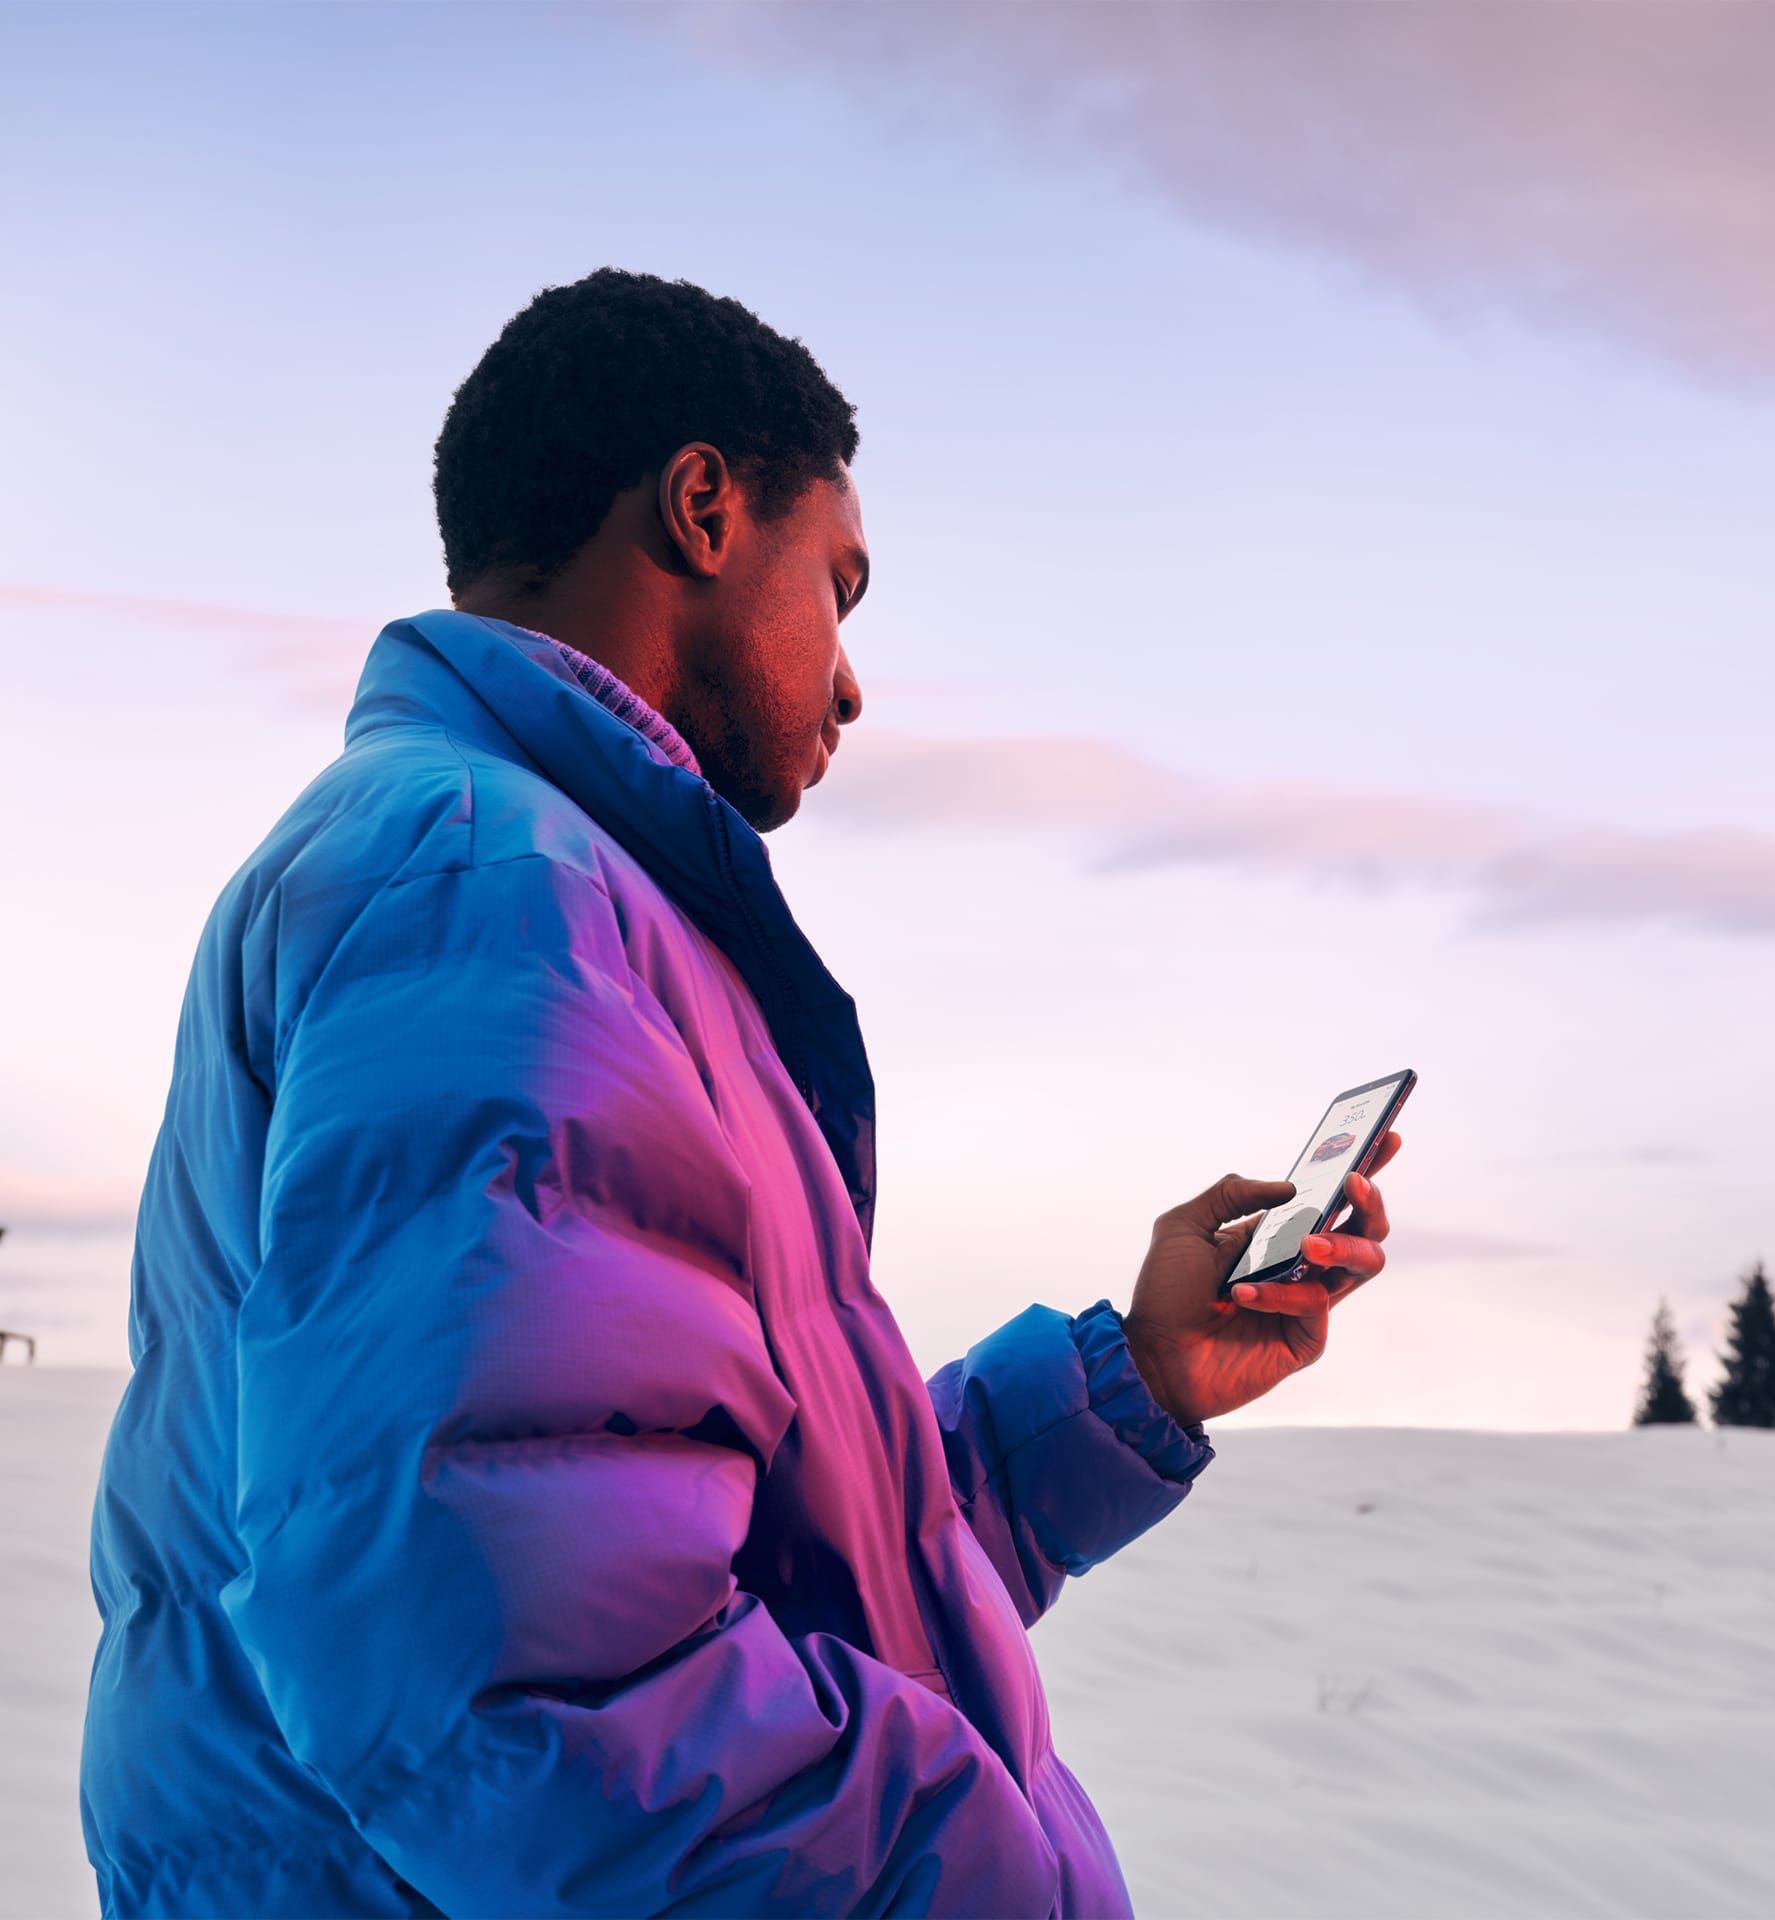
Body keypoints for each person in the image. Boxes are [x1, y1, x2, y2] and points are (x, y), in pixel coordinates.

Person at [79, 268, 1398, 1919]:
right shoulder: (490, 889)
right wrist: (999, 1880)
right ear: (705, 509)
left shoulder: (536, 892)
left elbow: (716, 1551)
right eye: (838, 588)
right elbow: (527, 1685)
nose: (851, 684)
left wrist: (1134, 1378)